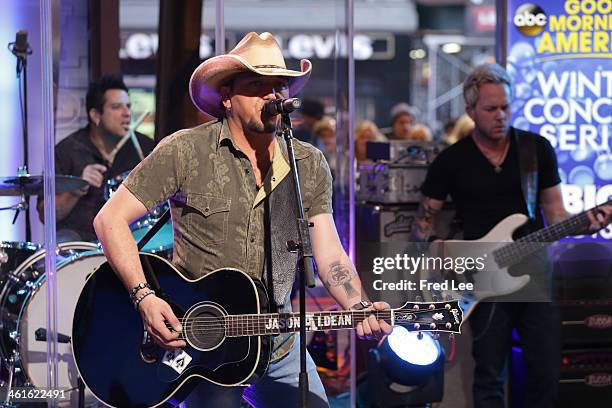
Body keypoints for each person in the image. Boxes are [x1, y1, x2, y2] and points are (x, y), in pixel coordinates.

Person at [93, 32, 391, 407]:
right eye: (256, 85)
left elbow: (329, 254)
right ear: (227, 97)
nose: (271, 95)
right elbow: (110, 220)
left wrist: (358, 306)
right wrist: (144, 297)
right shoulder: (186, 151)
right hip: (203, 342)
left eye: (278, 86)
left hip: (278, 343)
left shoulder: (307, 164)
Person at [413, 63, 611, 408]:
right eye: (491, 109)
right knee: (489, 375)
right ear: (471, 110)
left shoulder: (536, 149)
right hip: (482, 279)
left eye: (506, 107)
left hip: (535, 274)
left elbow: (557, 215)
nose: (500, 115)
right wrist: (436, 250)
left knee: (546, 373)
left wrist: (589, 222)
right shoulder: (451, 160)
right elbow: (423, 221)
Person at [36, 74, 155, 242]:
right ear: (95, 115)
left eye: (128, 106)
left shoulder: (145, 148)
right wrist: (75, 190)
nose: (127, 113)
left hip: (131, 236)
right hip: (79, 241)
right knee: (62, 242)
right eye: (117, 107)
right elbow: (45, 215)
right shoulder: (67, 150)